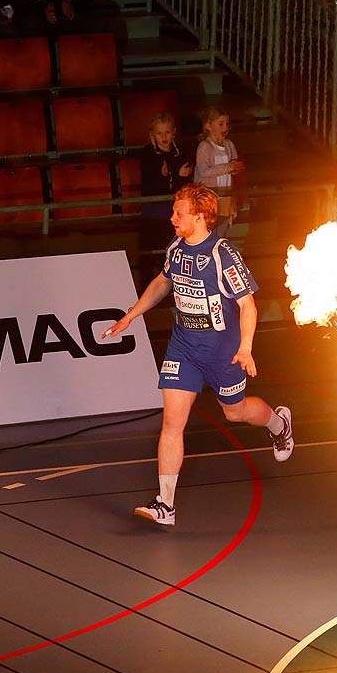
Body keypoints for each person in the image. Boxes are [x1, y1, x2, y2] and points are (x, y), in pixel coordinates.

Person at [103, 184, 293, 528]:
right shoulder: (176, 249)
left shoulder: (222, 254)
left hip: (223, 353)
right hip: (184, 348)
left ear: (200, 216)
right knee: (172, 422)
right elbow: (163, 282)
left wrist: (245, 347)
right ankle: (166, 504)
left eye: (179, 213)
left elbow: (247, 304)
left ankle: (279, 424)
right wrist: (132, 314)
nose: (172, 217)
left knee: (235, 413)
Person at [136, 110, 192, 280]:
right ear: (152, 134)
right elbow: (152, 182)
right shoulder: (148, 153)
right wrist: (173, 176)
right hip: (152, 210)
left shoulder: (180, 152)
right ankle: (146, 286)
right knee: (149, 250)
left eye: (167, 132)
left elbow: (182, 183)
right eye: (159, 133)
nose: (164, 136)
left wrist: (173, 176)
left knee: (170, 250)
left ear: (174, 132)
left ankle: (171, 284)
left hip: (173, 211)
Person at [194, 105, 244, 221]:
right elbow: (204, 172)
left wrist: (235, 169)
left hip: (226, 195)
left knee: (223, 229)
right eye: (221, 124)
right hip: (210, 197)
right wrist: (228, 167)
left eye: (227, 124)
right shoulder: (204, 147)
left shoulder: (229, 145)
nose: (225, 127)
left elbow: (233, 166)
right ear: (208, 126)